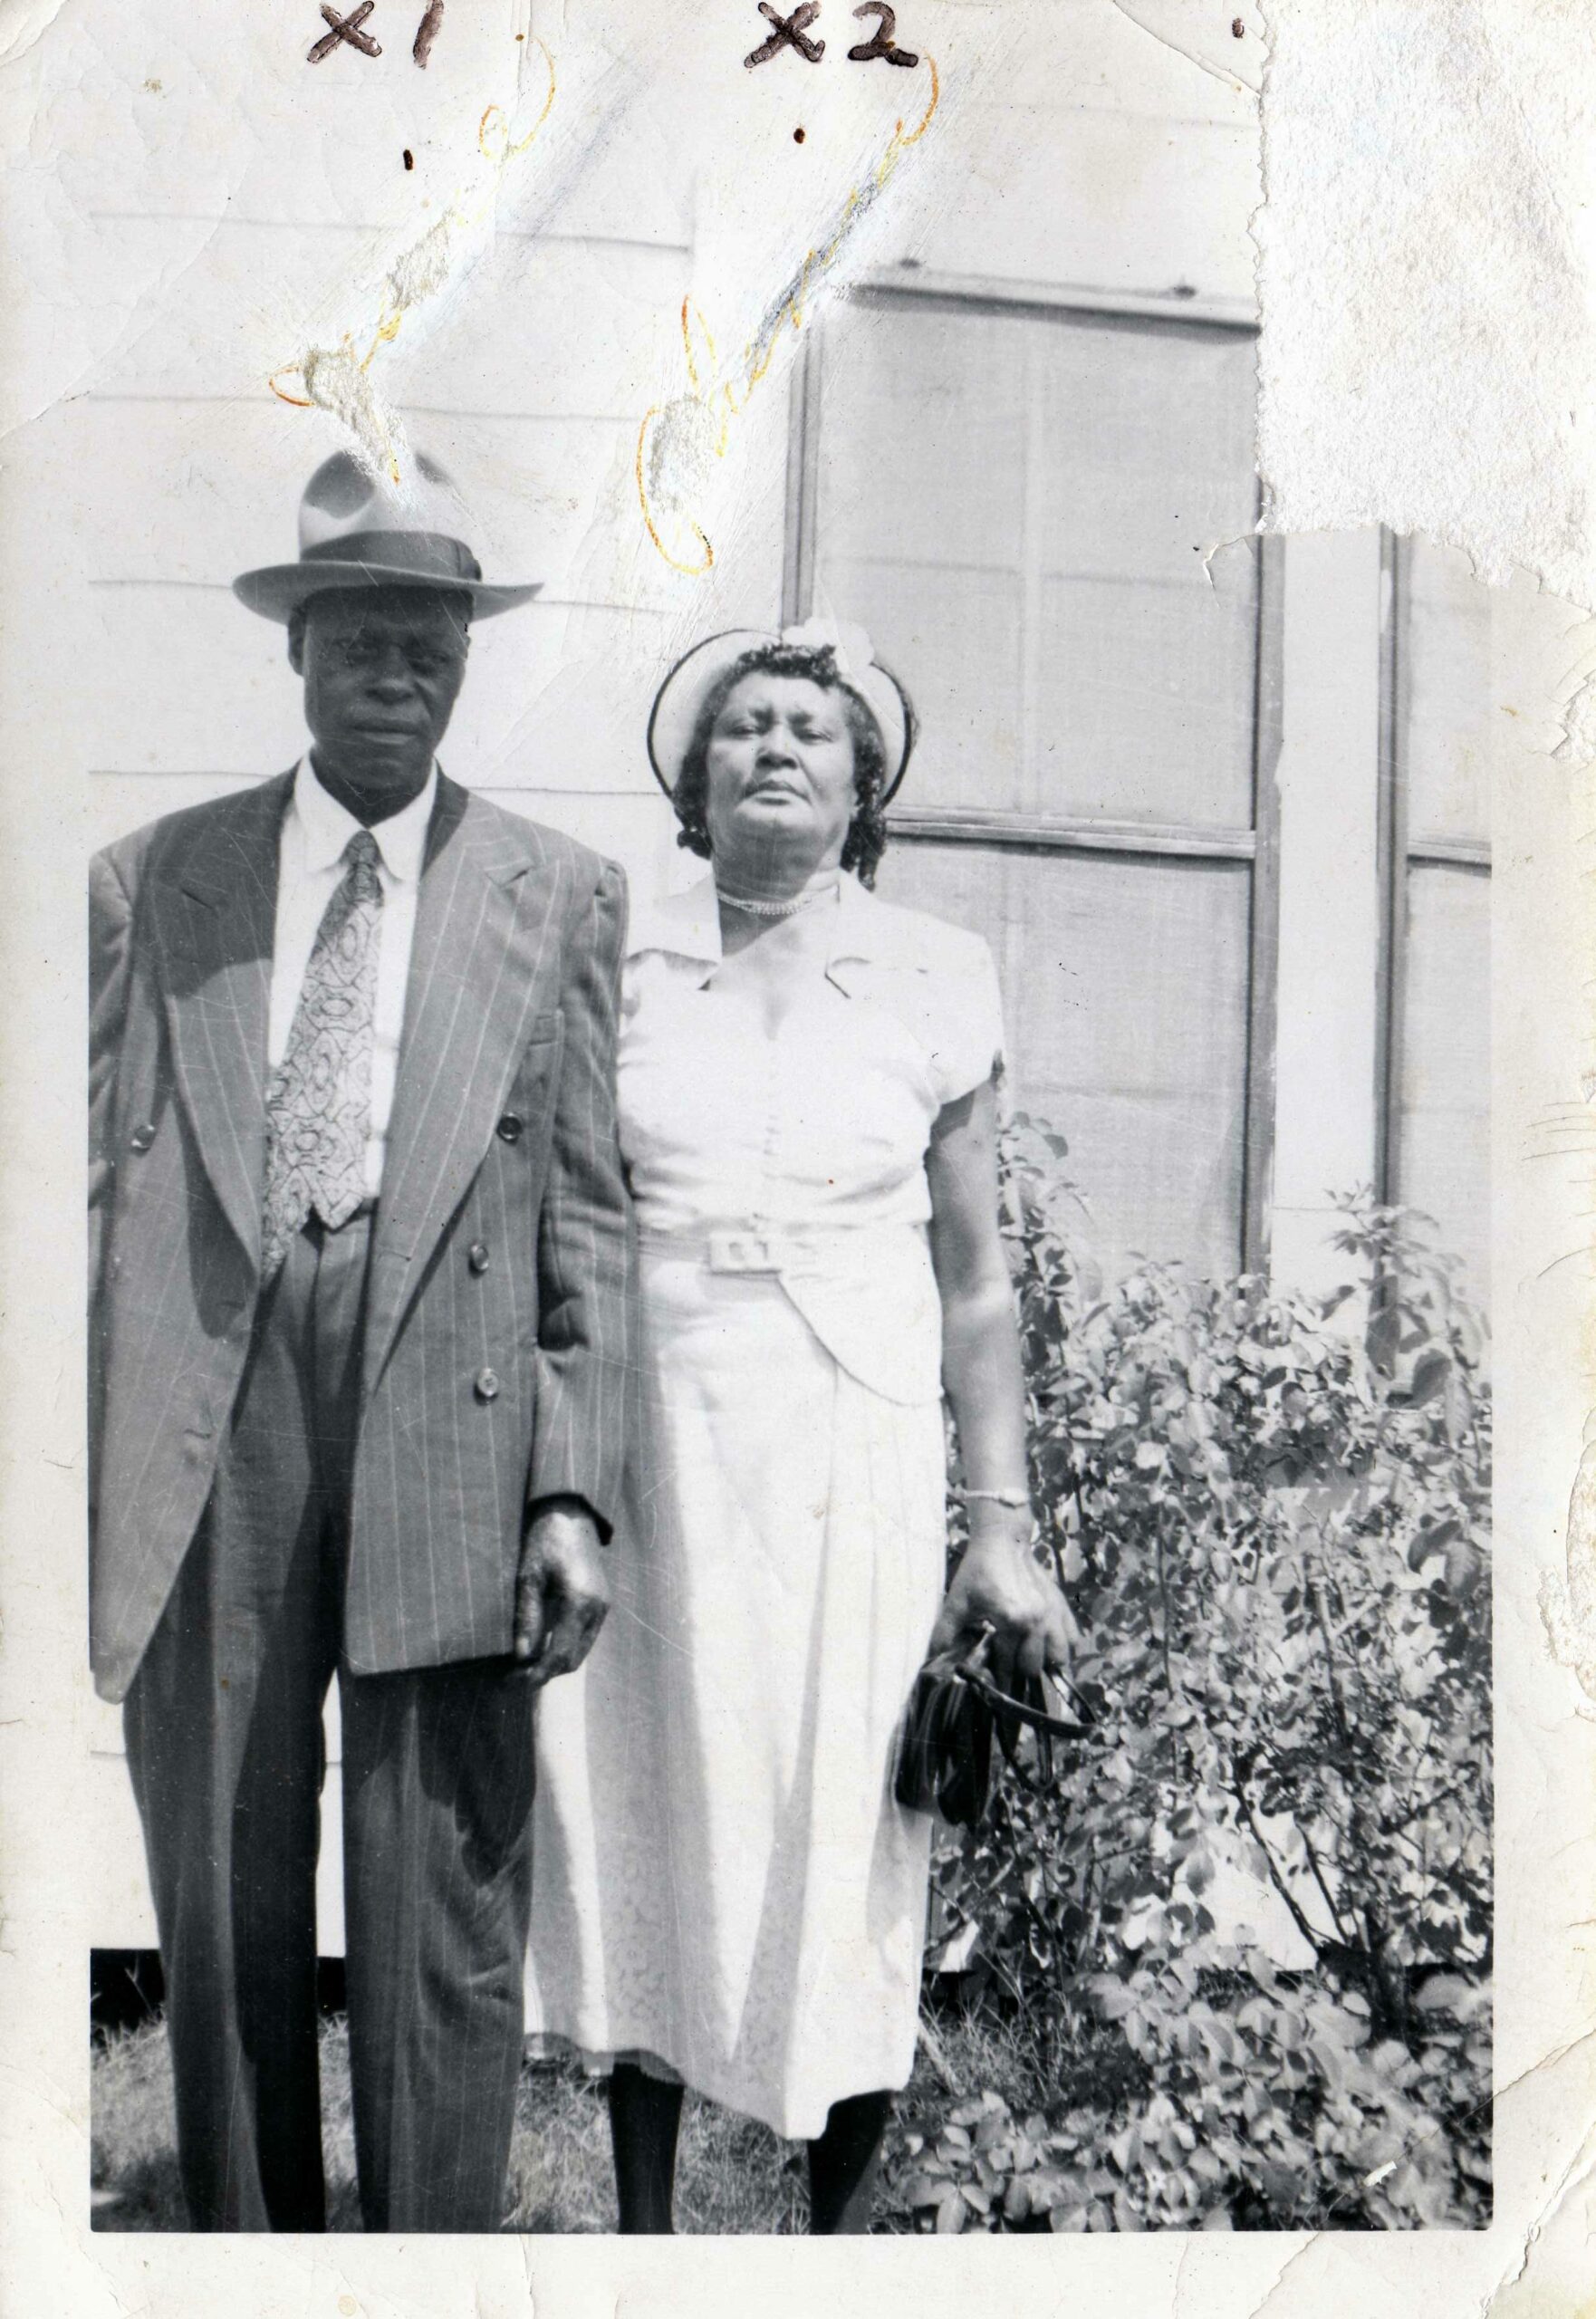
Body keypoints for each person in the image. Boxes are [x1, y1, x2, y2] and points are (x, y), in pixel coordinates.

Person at [88, 450, 634, 2233]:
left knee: (438, 1893)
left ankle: (428, 2264)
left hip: (449, 1395)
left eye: (429, 647)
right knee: (225, 1868)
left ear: (465, 661)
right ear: (298, 652)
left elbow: (588, 1209)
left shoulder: (557, 890)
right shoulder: (155, 880)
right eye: (360, 644)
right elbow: (86, 1184)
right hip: (218, 1393)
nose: (395, 676)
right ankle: (248, 2257)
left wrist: (573, 1490)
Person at [524, 618, 1076, 2233]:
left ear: (862, 787)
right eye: (744, 725)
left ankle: (825, 2250)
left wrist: (1000, 1527)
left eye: (810, 731)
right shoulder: (615, 955)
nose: (775, 746)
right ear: (694, 779)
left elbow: (973, 1280)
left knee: (848, 1819)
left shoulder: (934, 971)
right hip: (655, 1430)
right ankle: (643, 2239)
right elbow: (563, 1219)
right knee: (646, 1802)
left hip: (854, 1441)